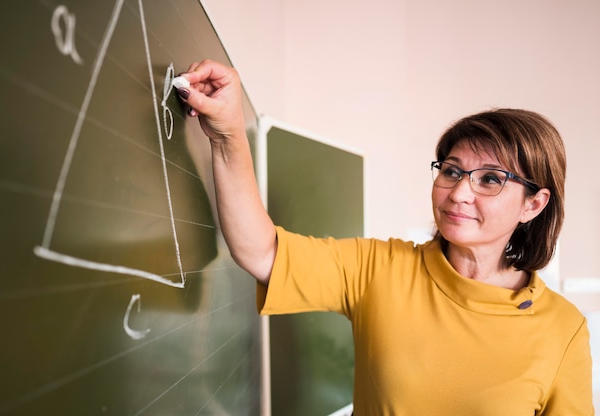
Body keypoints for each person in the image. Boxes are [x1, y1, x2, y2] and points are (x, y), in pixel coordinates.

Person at [176, 59, 594, 415]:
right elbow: (260, 250)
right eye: (451, 170)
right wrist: (229, 135)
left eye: (489, 180)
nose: (459, 193)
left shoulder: (562, 329)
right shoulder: (381, 269)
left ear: (533, 205)